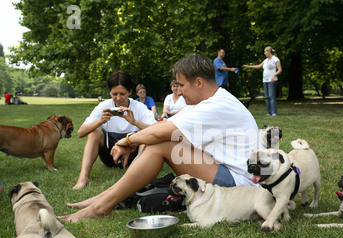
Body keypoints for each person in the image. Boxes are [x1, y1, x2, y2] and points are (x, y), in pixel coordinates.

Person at [59, 54, 259, 222]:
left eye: (181, 85)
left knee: (162, 144)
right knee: (160, 140)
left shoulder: (216, 105)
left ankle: (100, 207)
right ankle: (103, 198)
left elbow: (158, 133)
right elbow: (161, 127)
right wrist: (135, 139)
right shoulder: (206, 102)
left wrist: (126, 141)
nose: (178, 91)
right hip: (226, 171)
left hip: (242, 187)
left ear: (198, 82)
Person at [72, 70, 156, 190]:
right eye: (114, 94)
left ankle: (135, 175)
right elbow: (81, 133)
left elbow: (156, 131)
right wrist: (100, 121)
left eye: (122, 94)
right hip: (110, 154)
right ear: (109, 92)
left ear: (130, 92)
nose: (118, 98)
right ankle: (83, 177)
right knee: (94, 133)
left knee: (145, 137)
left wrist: (134, 122)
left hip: (133, 153)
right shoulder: (104, 106)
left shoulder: (139, 108)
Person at [243, 46, 282, 116]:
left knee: (271, 96)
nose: (264, 53)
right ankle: (269, 112)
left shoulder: (275, 59)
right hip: (265, 81)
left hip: (272, 80)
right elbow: (258, 66)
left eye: (265, 52)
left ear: (269, 52)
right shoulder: (265, 60)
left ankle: (274, 112)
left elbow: (279, 69)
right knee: (267, 97)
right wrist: (248, 66)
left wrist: (273, 76)